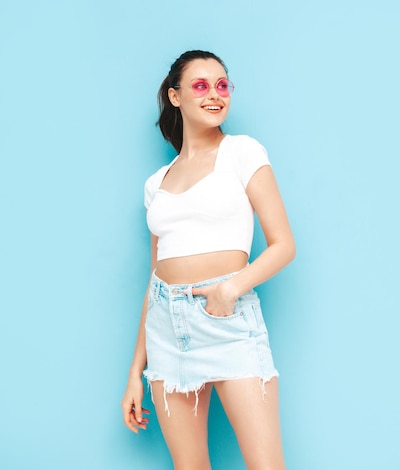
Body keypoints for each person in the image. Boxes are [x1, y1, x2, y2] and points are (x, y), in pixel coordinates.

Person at [121, 50, 295, 470]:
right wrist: (134, 373)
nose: (215, 94)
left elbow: (283, 244)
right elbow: (153, 278)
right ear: (175, 96)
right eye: (201, 85)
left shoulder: (242, 152)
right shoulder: (156, 184)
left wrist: (231, 288)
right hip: (166, 328)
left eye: (222, 85)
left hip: (229, 323)